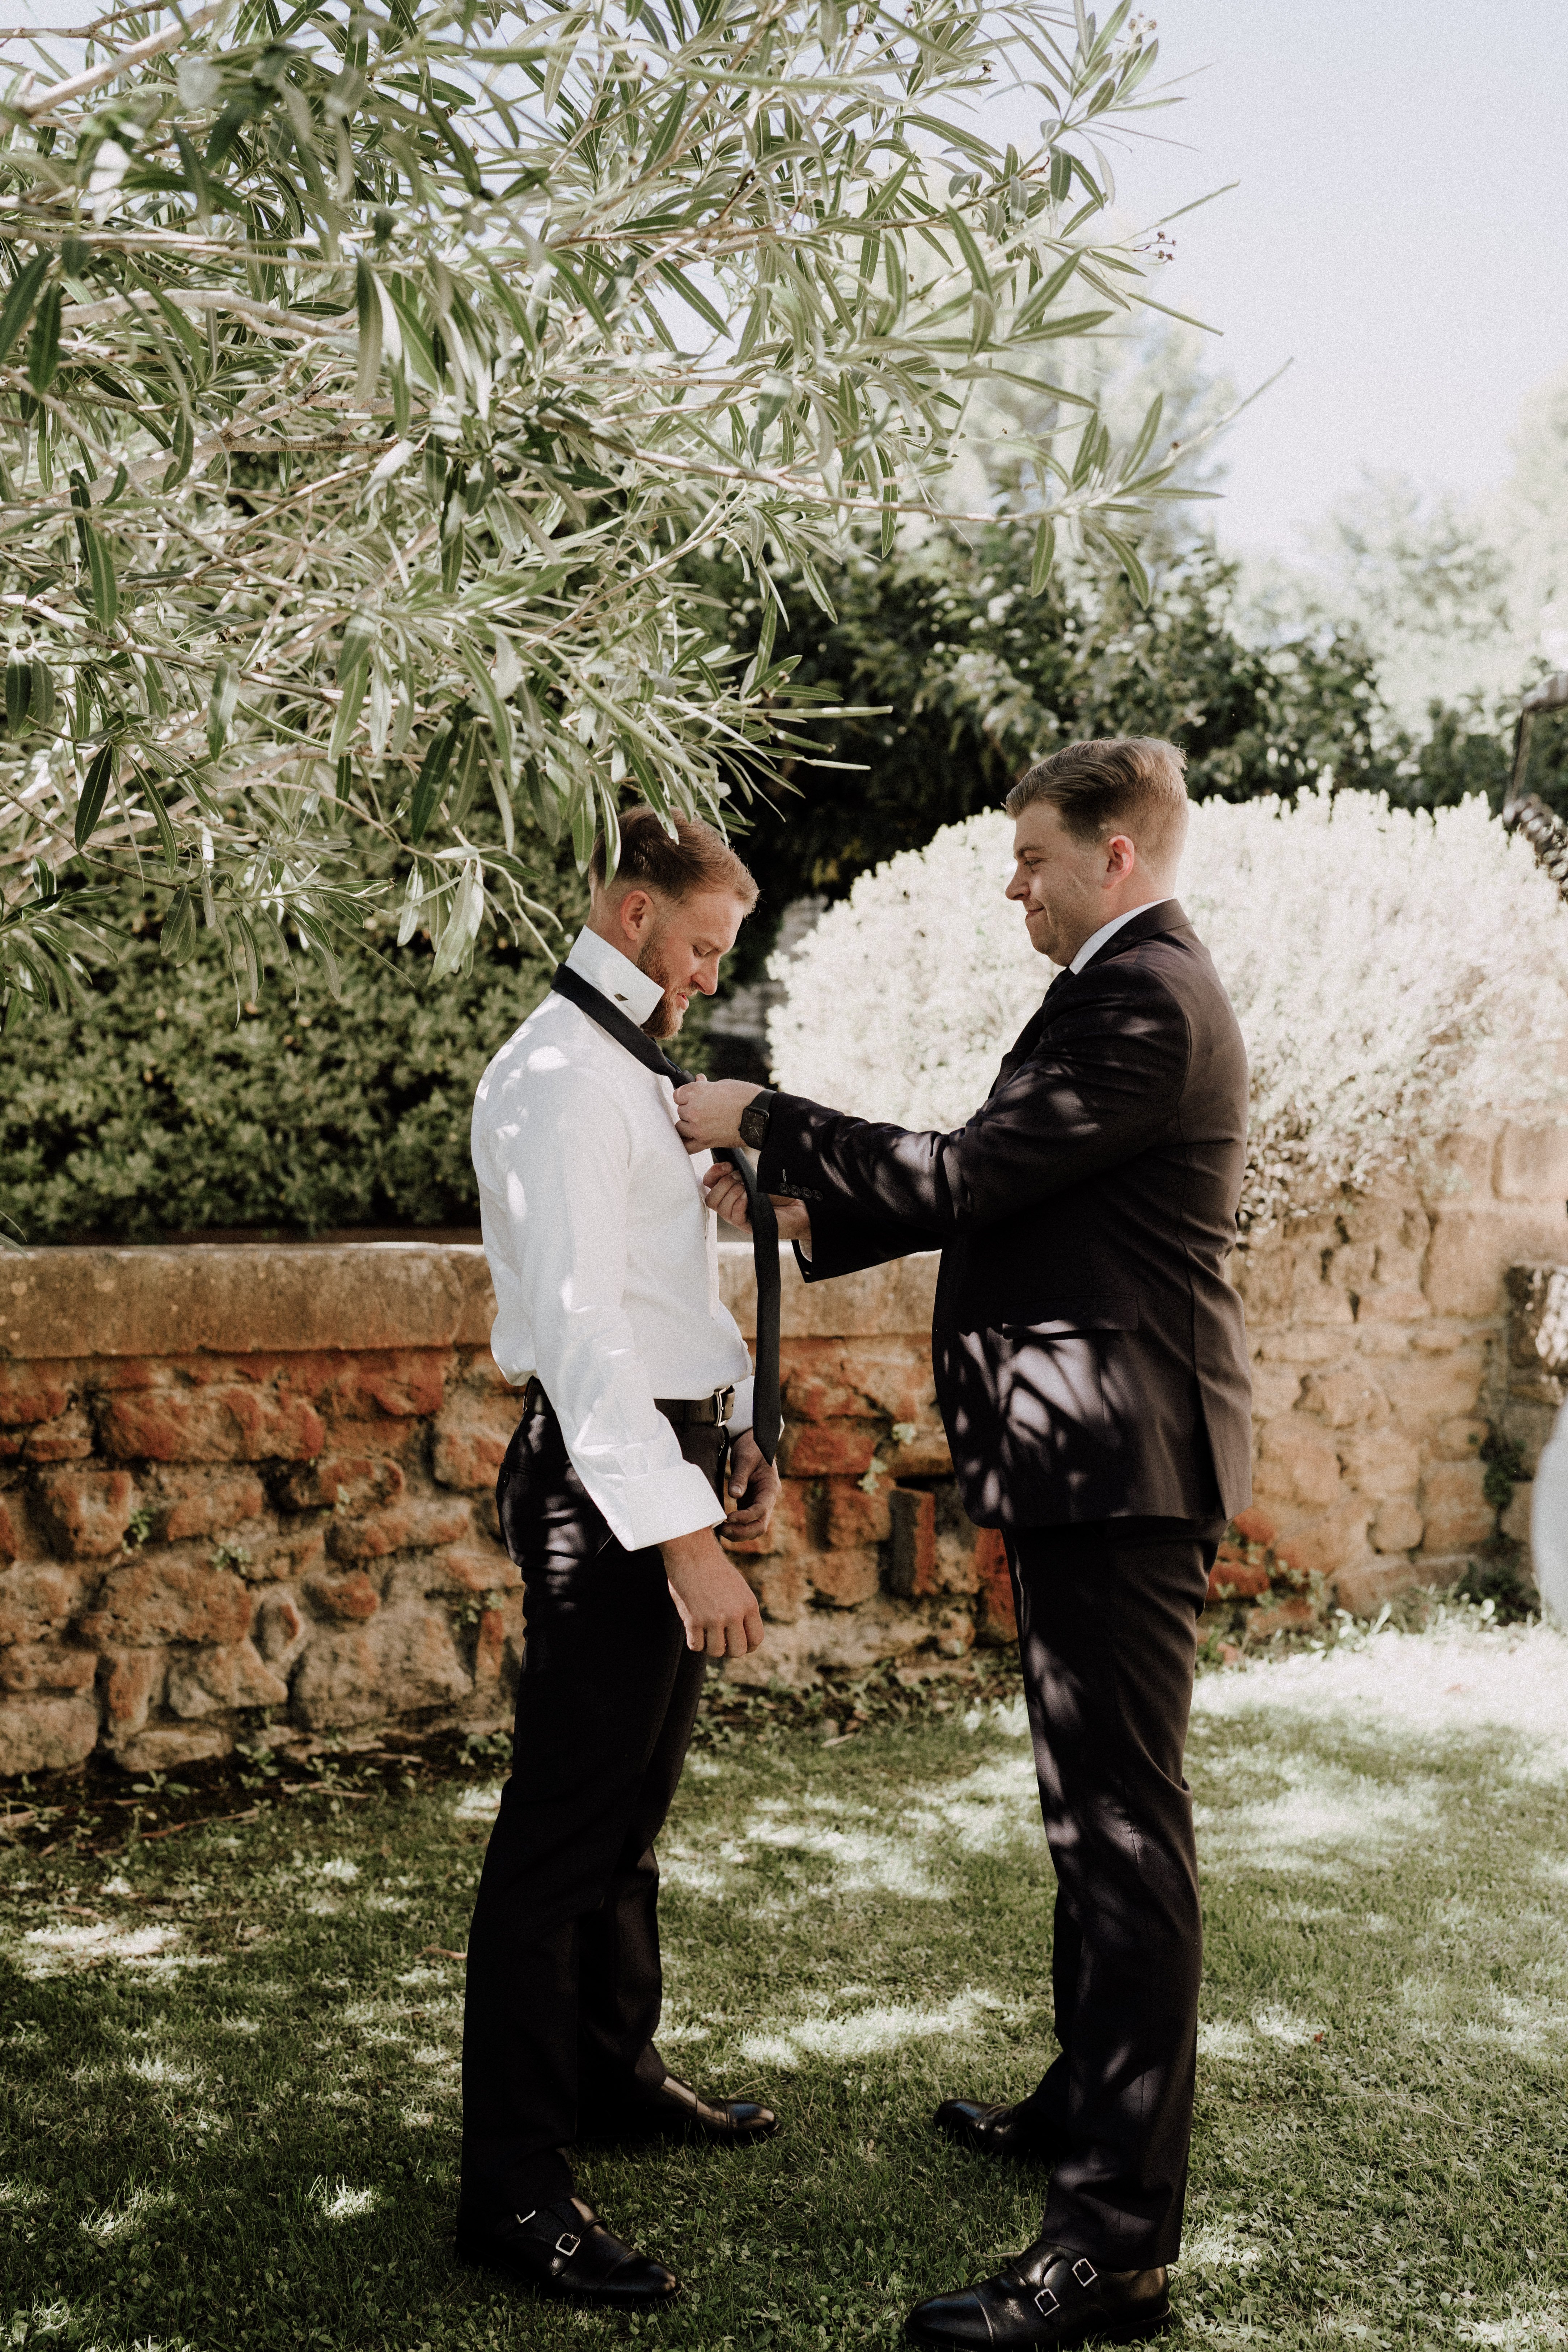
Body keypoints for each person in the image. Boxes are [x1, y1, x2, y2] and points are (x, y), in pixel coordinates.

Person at [678, 738, 1254, 2351]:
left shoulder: (1145, 999)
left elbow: (977, 1169)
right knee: (1090, 1812)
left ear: (1115, 856)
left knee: (1122, 1835)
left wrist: (762, 1115)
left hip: (1124, 1469)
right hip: (1094, 1463)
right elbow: (1012, 1194)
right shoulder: (1116, 987)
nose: (1013, 884)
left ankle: (1113, 2250)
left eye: (1030, 856)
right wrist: (811, 1214)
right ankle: (1083, 2102)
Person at [457, 806, 782, 2310]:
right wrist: (685, 1539)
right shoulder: (555, 1079)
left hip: (672, 1456)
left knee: (629, 1812)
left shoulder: (632, 1069)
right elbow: (585, 1339)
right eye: (702, 945)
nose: (709, 977)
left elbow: (660, 1298)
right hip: (607, 1487)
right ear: (635, 911)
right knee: (559, 1836)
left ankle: (614, 2072)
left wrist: (741, 1428)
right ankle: (514, 2187)